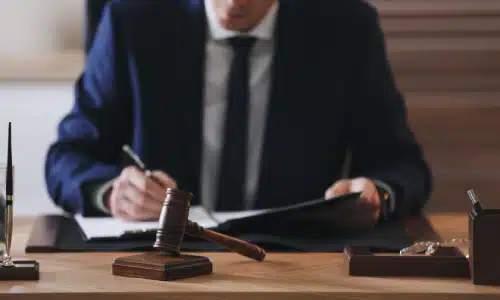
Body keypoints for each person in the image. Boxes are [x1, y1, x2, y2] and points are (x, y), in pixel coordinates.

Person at [44, 0, 432, 230]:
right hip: (163, 266)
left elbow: (403, 165)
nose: (233, 2)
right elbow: (67, 158)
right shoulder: (132, 22)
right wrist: (112, 192)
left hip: (297, 269)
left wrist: (377, 193)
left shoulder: (347, 28)